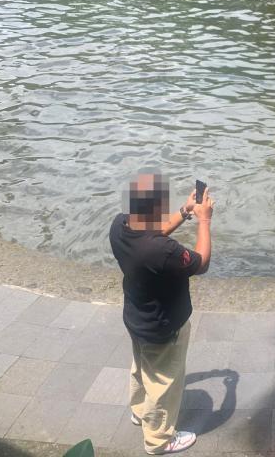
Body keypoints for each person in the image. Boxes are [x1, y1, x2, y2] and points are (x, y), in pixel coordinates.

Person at [109, 171, 215, 455]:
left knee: (142, 368)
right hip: (163, 326)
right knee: (164, 381)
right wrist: (204, 220)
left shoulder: (120, 225)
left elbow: (153, 234)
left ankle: (140, 412)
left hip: (137, 317)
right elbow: (201, 263)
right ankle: (159, 440)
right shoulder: (162, 251)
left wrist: (185, 211)